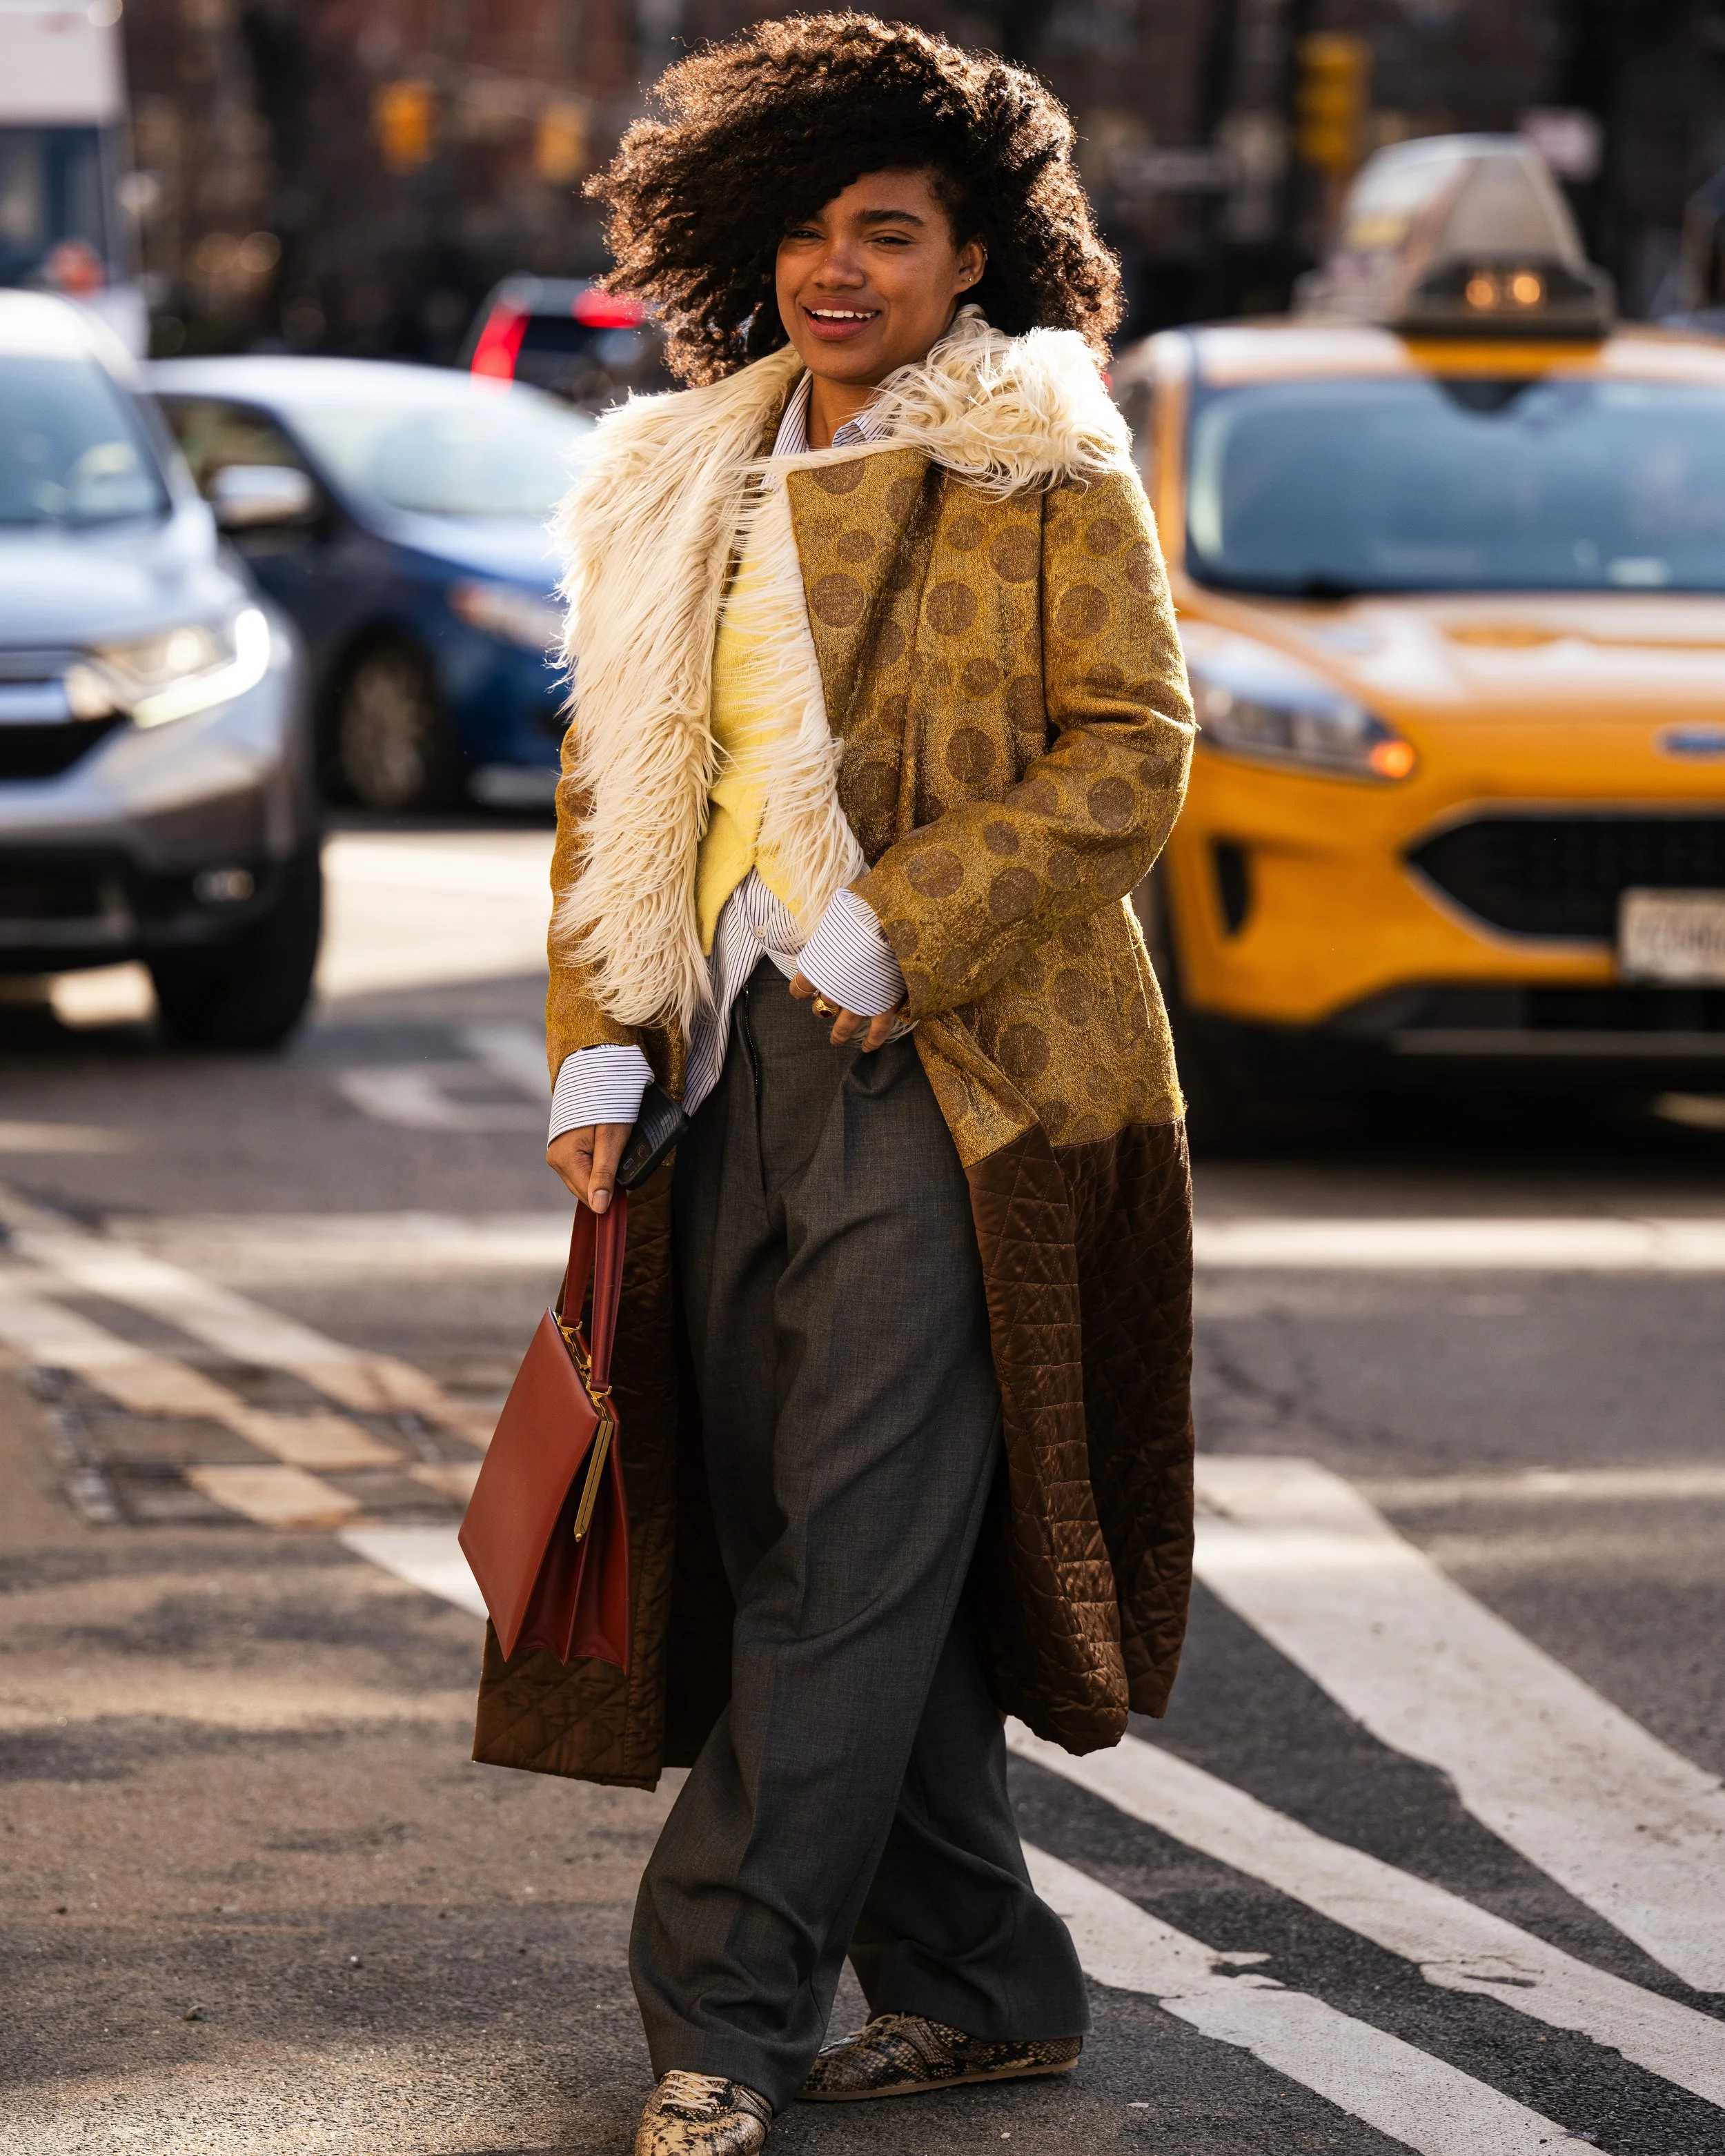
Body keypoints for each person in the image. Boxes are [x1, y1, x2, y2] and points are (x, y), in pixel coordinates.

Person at [471, 19, 1197, 2154]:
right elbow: (618, 784)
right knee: (806, 1535)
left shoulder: (1038, 454)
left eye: (884, 232)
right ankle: (979, 1983)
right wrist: (596, 1024)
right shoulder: (676, 473)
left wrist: (909, 919)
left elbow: (1129, 749)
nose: (833, 271)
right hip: (712, 1070)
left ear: (976, 255)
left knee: (852, 1557)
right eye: (799, 232)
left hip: (954, 1070)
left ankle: (722, 2007)